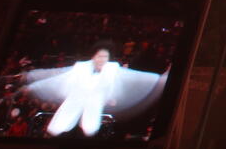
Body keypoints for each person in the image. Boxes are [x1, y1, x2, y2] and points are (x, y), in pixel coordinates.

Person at [23, 42, 169, 138]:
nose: (101, 60)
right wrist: (31, 81)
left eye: (105, 57)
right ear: (93, 56)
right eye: (99, 56)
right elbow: (56, 76)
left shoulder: (112, 70)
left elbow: (137, 77)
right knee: (59, 131)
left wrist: (161, 79)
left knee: (88, 132)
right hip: (70, 110)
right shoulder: (80, 67)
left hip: (93, 116)